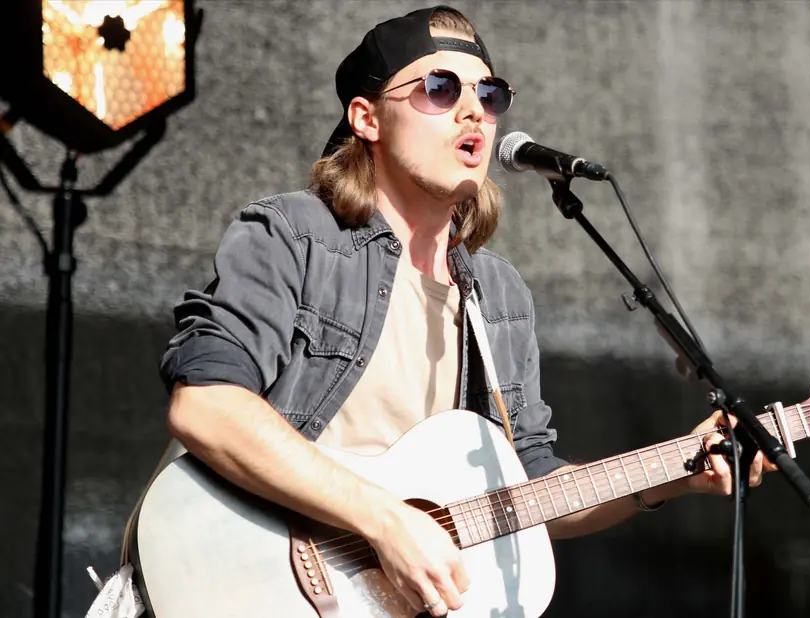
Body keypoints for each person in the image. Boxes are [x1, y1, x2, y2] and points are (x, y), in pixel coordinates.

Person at [159, 5, 771, 617]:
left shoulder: (499, 298)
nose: (474, 108)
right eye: (439, 87)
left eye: (489, 91)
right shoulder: (294, 235)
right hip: (248, 582)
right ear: (367, 118)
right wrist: (385, 521)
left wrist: (673, 473)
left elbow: (527, 487)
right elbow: (207, 405)